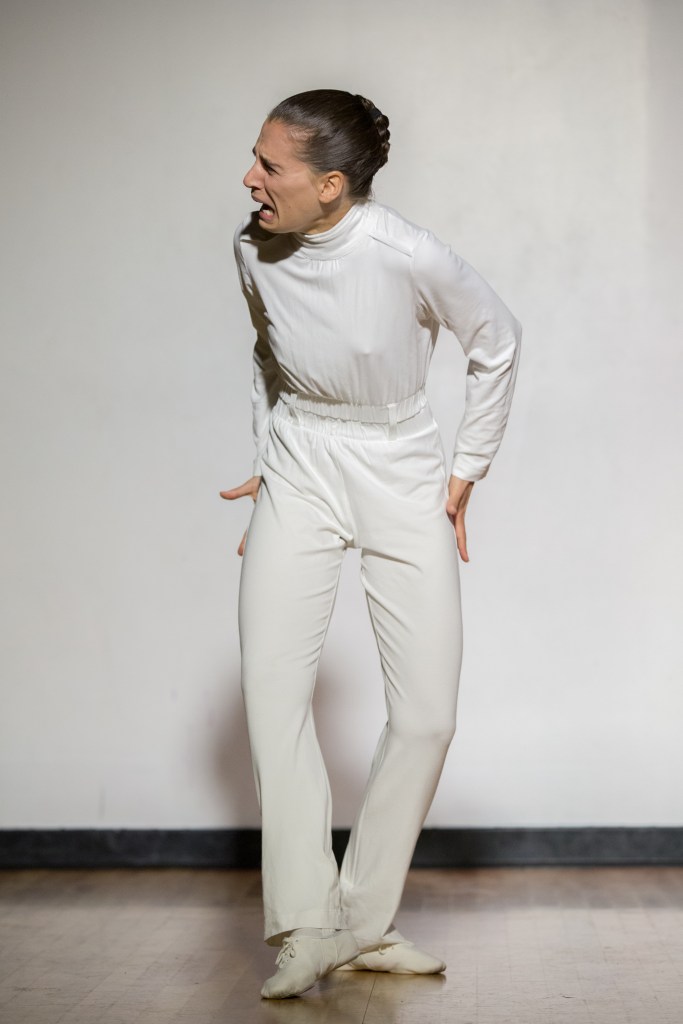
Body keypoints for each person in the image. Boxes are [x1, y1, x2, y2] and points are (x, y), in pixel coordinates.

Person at [220, 89, 521, 1000]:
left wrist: (465, 470)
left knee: (426, 715)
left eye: (270, 165)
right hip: (301, 462)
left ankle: (361, 922)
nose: (250, 178)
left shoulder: (403, 251)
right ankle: (306, 926)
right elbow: (267, 356)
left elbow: (496, 339)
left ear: (331, 186)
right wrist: (269, 460)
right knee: (274, 697)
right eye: (255, 157)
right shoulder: (250, 248)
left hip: (399, 461)